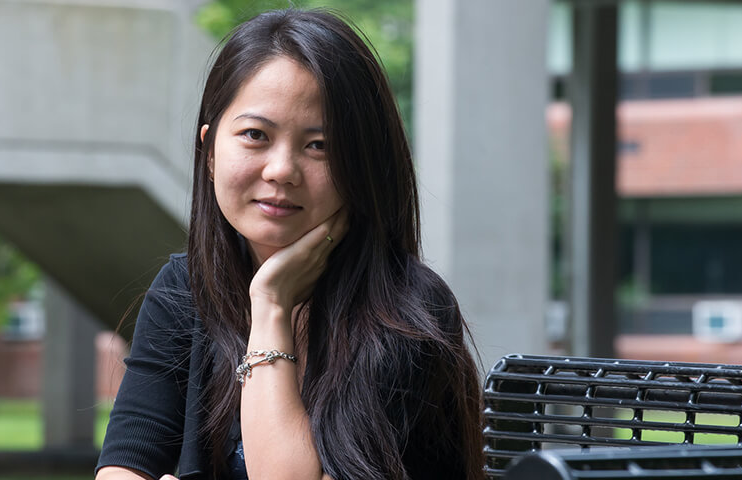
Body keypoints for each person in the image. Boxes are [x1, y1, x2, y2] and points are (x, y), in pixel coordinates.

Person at [95, 8, 484, 480]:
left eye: (318, 145)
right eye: (255, 135)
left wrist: (271, 305)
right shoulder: (185, 290)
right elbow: (120, 470)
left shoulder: (407, 311)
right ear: (210, 152)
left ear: (362, 165)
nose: (281, 170)